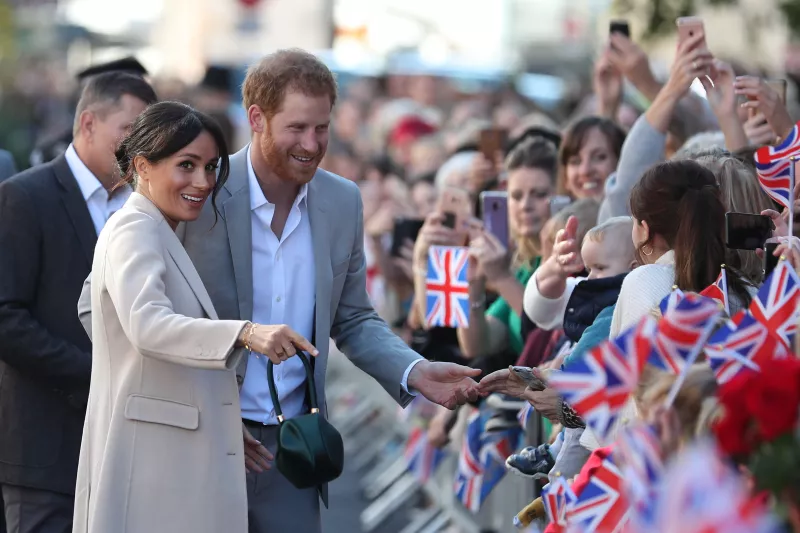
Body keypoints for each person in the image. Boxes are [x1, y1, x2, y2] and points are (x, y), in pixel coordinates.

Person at [78, 49, 481, 533]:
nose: (312, 144)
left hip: (291, 448)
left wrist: (413, 371)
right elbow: (100, 306)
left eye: (322, 128)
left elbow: (352, 318)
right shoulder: (195, 186)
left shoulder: (341, 200)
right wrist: (182, 406)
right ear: (257, 118)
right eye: (297, 128)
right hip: (197, 443)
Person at [73, 101, 308, 533]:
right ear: (143, 165)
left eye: (212, 167)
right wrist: (246, 334)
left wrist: (199, 407)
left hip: (163, 450)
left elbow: (94, 310)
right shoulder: (136, 228)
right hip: (152, 460)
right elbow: (147, 325)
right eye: (187, 165)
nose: (203, 182)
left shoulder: (153, 226)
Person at [0, 72, 156, 533]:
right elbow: (5, 318)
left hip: (125, 448)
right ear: (88, 124)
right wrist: (97, 371)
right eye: (129, 132)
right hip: (44, 446)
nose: (141, 149)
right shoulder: (25, 197)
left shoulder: (142, 208)